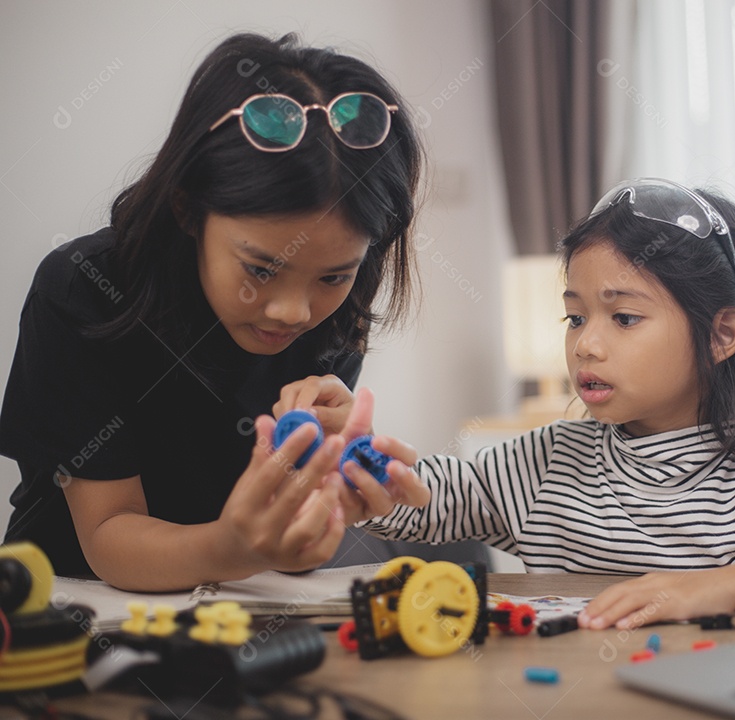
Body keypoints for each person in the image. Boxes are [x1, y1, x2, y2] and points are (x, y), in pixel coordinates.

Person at [330, 178, 735, 630]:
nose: (585, 343)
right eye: (576, 316)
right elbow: (425, 500)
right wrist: (346, 458)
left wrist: (729, 584)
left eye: (625, 317)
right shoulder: (546, 464)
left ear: (721, 334)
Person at [0, 33, 432, 590]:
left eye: (333, 275)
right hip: (64, 604)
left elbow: (290, 556)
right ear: (188, 208)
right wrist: (234, 547)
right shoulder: (83, 289)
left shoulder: (335, 315)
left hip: (232, 604)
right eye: (260, 269)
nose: (293, 311)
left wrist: (325, 504)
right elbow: (108, 535)